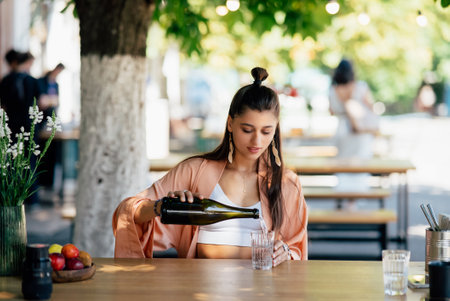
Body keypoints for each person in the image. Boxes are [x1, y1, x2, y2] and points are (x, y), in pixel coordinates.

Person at [113, 67, 308, 265]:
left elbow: (296, 249)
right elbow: (127, 211)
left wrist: (285, 252)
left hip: (263, 292)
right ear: (230, 124)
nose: (256, 140)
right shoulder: (195, 171)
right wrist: (161, 206)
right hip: (201, 291)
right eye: (247, 129)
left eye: (266, 131)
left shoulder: (285, 183)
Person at [329, 59, 376, 207]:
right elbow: (371, 107)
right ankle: (353, 202)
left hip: (342, 130)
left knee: (343, 166)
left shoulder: (333, 90)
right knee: (360, 166)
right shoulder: (360, 87)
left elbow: (332, 111)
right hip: (359, 133)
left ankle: (343, 197)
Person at [37, 63, 65, 189]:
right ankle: (42, 181)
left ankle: (49, 182)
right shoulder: (41, 81)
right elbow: (41, 101)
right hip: (41, 118)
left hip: (51, 117)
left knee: (53, 151)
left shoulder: (56, 84)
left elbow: (56, 101)